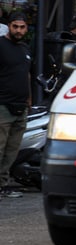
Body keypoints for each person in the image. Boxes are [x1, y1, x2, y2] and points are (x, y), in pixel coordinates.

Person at [0, 12, 32, 200]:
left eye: (22, 27)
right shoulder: (1, 45)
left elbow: (26, 75)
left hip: (21, 107)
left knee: (12, 150)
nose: (19, 30)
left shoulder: (25, 49)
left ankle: (2, 185)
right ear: (9, 26)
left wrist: (28, 99)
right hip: (3, 106)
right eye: (15, 26)